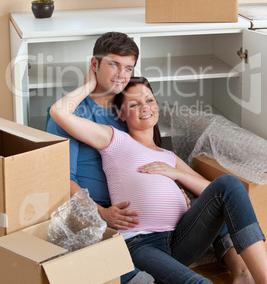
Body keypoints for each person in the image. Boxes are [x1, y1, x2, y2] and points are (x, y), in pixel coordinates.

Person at [50, 72, 267, 284]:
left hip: (181, 237)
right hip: (141, 244)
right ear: (122, 115)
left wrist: (176, 173)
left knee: (229, 184)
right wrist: (90, 84)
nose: (145, 107)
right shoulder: (115, 139)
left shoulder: (168, 156)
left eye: (149, 100)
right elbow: (59, 113)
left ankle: (254, 275)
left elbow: (213, 190)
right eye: (134, 104)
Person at [47, 32, 154, 284]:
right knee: (118, 270)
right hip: (94, 215)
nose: (121, 75)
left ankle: (243, 274)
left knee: (214, 202)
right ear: (95, 65)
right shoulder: (70, 115)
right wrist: (103, 213)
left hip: (137, 211)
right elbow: (61, 180)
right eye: (113, 64)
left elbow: (147, 153)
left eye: (128, 68)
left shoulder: (127, 109)